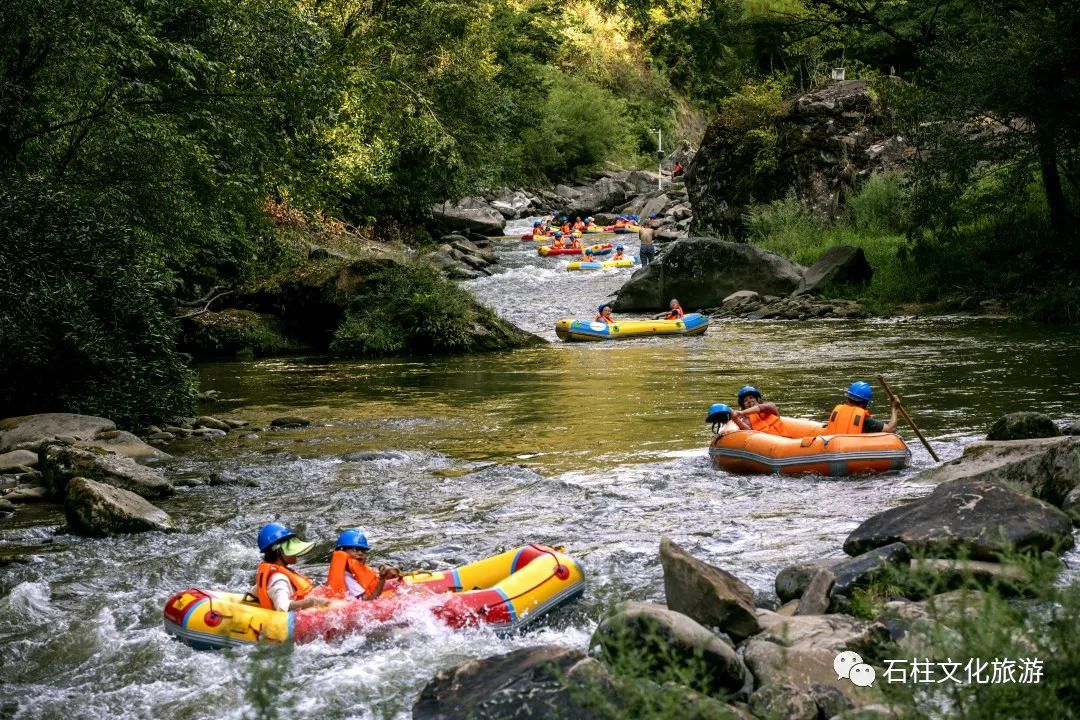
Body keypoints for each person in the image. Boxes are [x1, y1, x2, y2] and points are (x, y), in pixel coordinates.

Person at [251, 523, 330, 611]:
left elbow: (255, 592)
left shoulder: (280, 573)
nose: (295, 551)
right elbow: (283, 607)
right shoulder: (278, 579)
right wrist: (311, 602)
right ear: (278, 551)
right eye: (289, 546)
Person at [325, 529, 402, 601]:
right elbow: (369, 601)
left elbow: (372, 581)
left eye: (363, 550)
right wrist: (382, 579)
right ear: (342, 551)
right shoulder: (347, 578)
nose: (360, 553)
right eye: (355, 550)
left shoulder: (355, 570)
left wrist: (388, 575)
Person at [823, 381, 900, 434]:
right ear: (865, 403)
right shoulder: (865, 420)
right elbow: (891, 429)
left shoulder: (837, 412)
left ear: (848, 398)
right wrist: (894, 408)